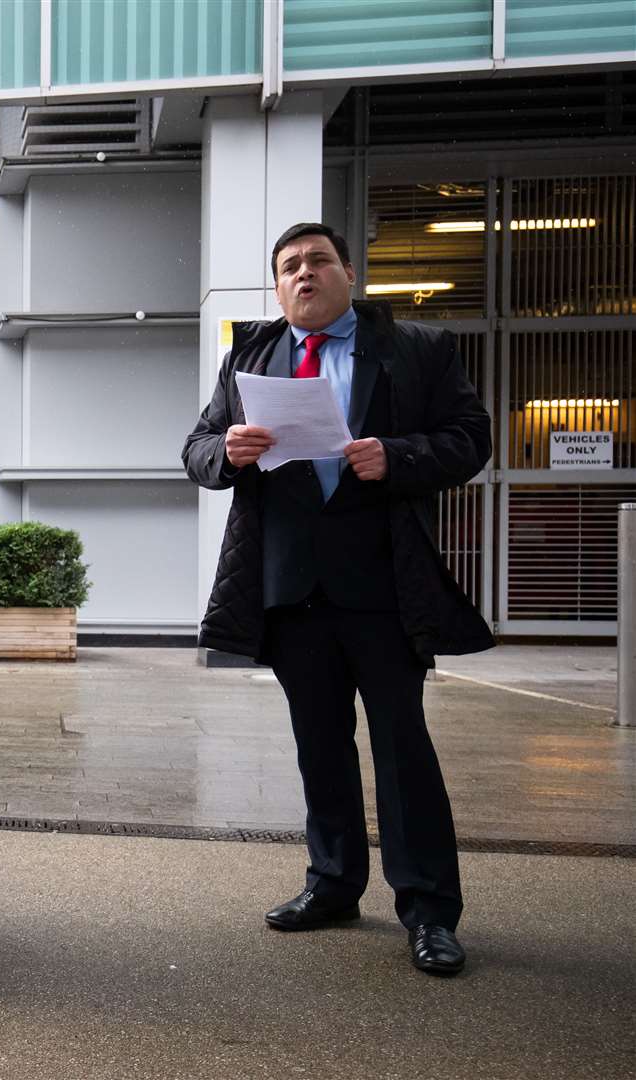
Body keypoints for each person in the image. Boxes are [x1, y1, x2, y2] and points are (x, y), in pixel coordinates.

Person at [182, 222, 494, 976]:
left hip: (383, 585)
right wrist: (225, 453)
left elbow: (471, 437)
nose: (304, 274)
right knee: (318, 744)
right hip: (290, 587)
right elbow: (196, 449)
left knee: (401, 747)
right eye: (289, 267)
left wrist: (399, 455)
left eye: (318, 261)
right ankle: (332, 884)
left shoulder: (414, 349)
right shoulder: (251, 354)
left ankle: (427, 910)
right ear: (278, 285)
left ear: (350, 273)